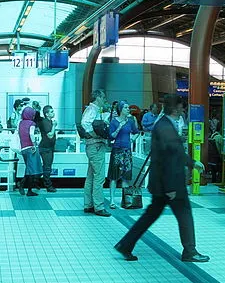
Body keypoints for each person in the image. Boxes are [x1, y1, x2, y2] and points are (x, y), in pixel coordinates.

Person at [113, 96, 208, 263]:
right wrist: (171, 188)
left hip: (160, 183)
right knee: (184, 213)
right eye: (181, 107)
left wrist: (192, 163)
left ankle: (125, 245)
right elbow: (169, 159)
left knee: (150, 216)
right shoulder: (165, 127)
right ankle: (190, 251)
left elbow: (175, 153)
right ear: (175, 109)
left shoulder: (164, 124)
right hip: (170, 184)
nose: (183, 110)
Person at [80, 91, 112, 216]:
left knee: (91, 176)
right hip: (96, 146)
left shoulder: (94, 110)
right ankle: (99, 207)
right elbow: (85, 123)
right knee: (99, 177)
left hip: (92, 147)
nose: (105, 99)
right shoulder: (92, 109)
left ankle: (88, 204)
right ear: (97, 97)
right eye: (103, 97)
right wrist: (94, 134)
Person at [17, 104, 41, 197]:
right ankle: (26, 188)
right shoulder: (32, 123)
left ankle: (23, 186)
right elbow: (31, 134)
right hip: (31, 148)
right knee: (31, 170)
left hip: (23, 148)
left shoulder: (20, 123)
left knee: (28, 169)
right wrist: (34, 144)